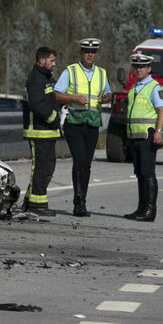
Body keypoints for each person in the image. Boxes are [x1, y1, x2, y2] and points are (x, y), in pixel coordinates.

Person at [54, 38, 112, 217]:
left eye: (93, 52)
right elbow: (57, 94)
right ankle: (78, 202)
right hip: (75, 122)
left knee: (86, 164)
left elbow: (108, 93)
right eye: (86, 51)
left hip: (92, 123)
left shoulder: (101, 73)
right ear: (81, 52)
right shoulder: (70, 71)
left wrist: (106, 97)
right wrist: (73, 98)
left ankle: (82, 200)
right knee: (79, 161)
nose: (89, 54)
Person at [123, 52, 163, 222]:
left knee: (148, 173)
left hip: (148, 135)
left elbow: (161, 110)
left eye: (142, 67)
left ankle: (150, 210)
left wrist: (159, 132)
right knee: (139, 173)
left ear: (149, 68)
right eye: (136, 66)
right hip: (134, 136)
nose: (139, 69)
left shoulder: (155, 87)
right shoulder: (134, 87)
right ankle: (141, 208)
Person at [21, 46, 62, 216]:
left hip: (48, 132)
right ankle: (37, 206)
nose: (54, 63)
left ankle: (31, 201)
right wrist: (53, 117)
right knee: (41, 168)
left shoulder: (44, 78)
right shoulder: (35, 78)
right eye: (51, 60)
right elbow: (37, 105)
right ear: (42, 60)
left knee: (47, 167)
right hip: (39, 131)